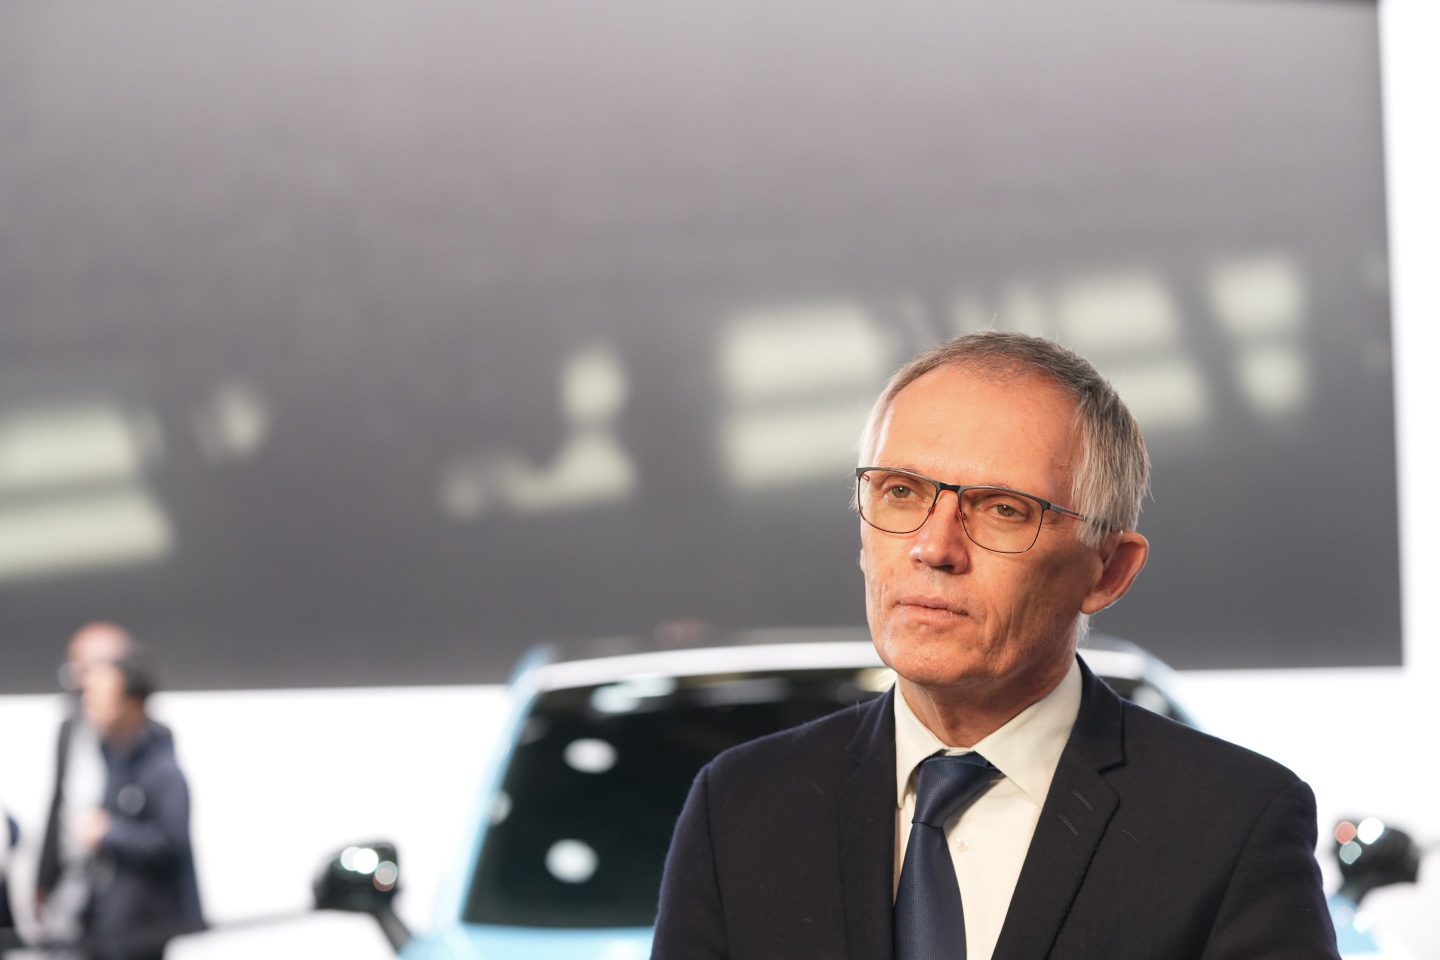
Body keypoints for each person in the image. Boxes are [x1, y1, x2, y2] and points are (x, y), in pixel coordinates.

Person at [652, 332, 1338, 959]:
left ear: (1109, 571)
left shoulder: (1230, 824)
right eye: (899, 492)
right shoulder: (741, 808)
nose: (933, 547)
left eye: (1003, 509)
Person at [77, 648, 202, 960]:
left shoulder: (161, 770)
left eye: (100, 696)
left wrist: (108, 832)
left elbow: (170, 842)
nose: (90, 705)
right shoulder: (113, 757)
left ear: (131, 701)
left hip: (143, 927)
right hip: (109, 924)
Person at [35, 622, 138, 948]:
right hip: (76, 886)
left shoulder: (141, 741)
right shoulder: (71, 729)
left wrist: (108, 831)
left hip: (127, 898)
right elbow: (58, 803)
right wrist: (45, 880)